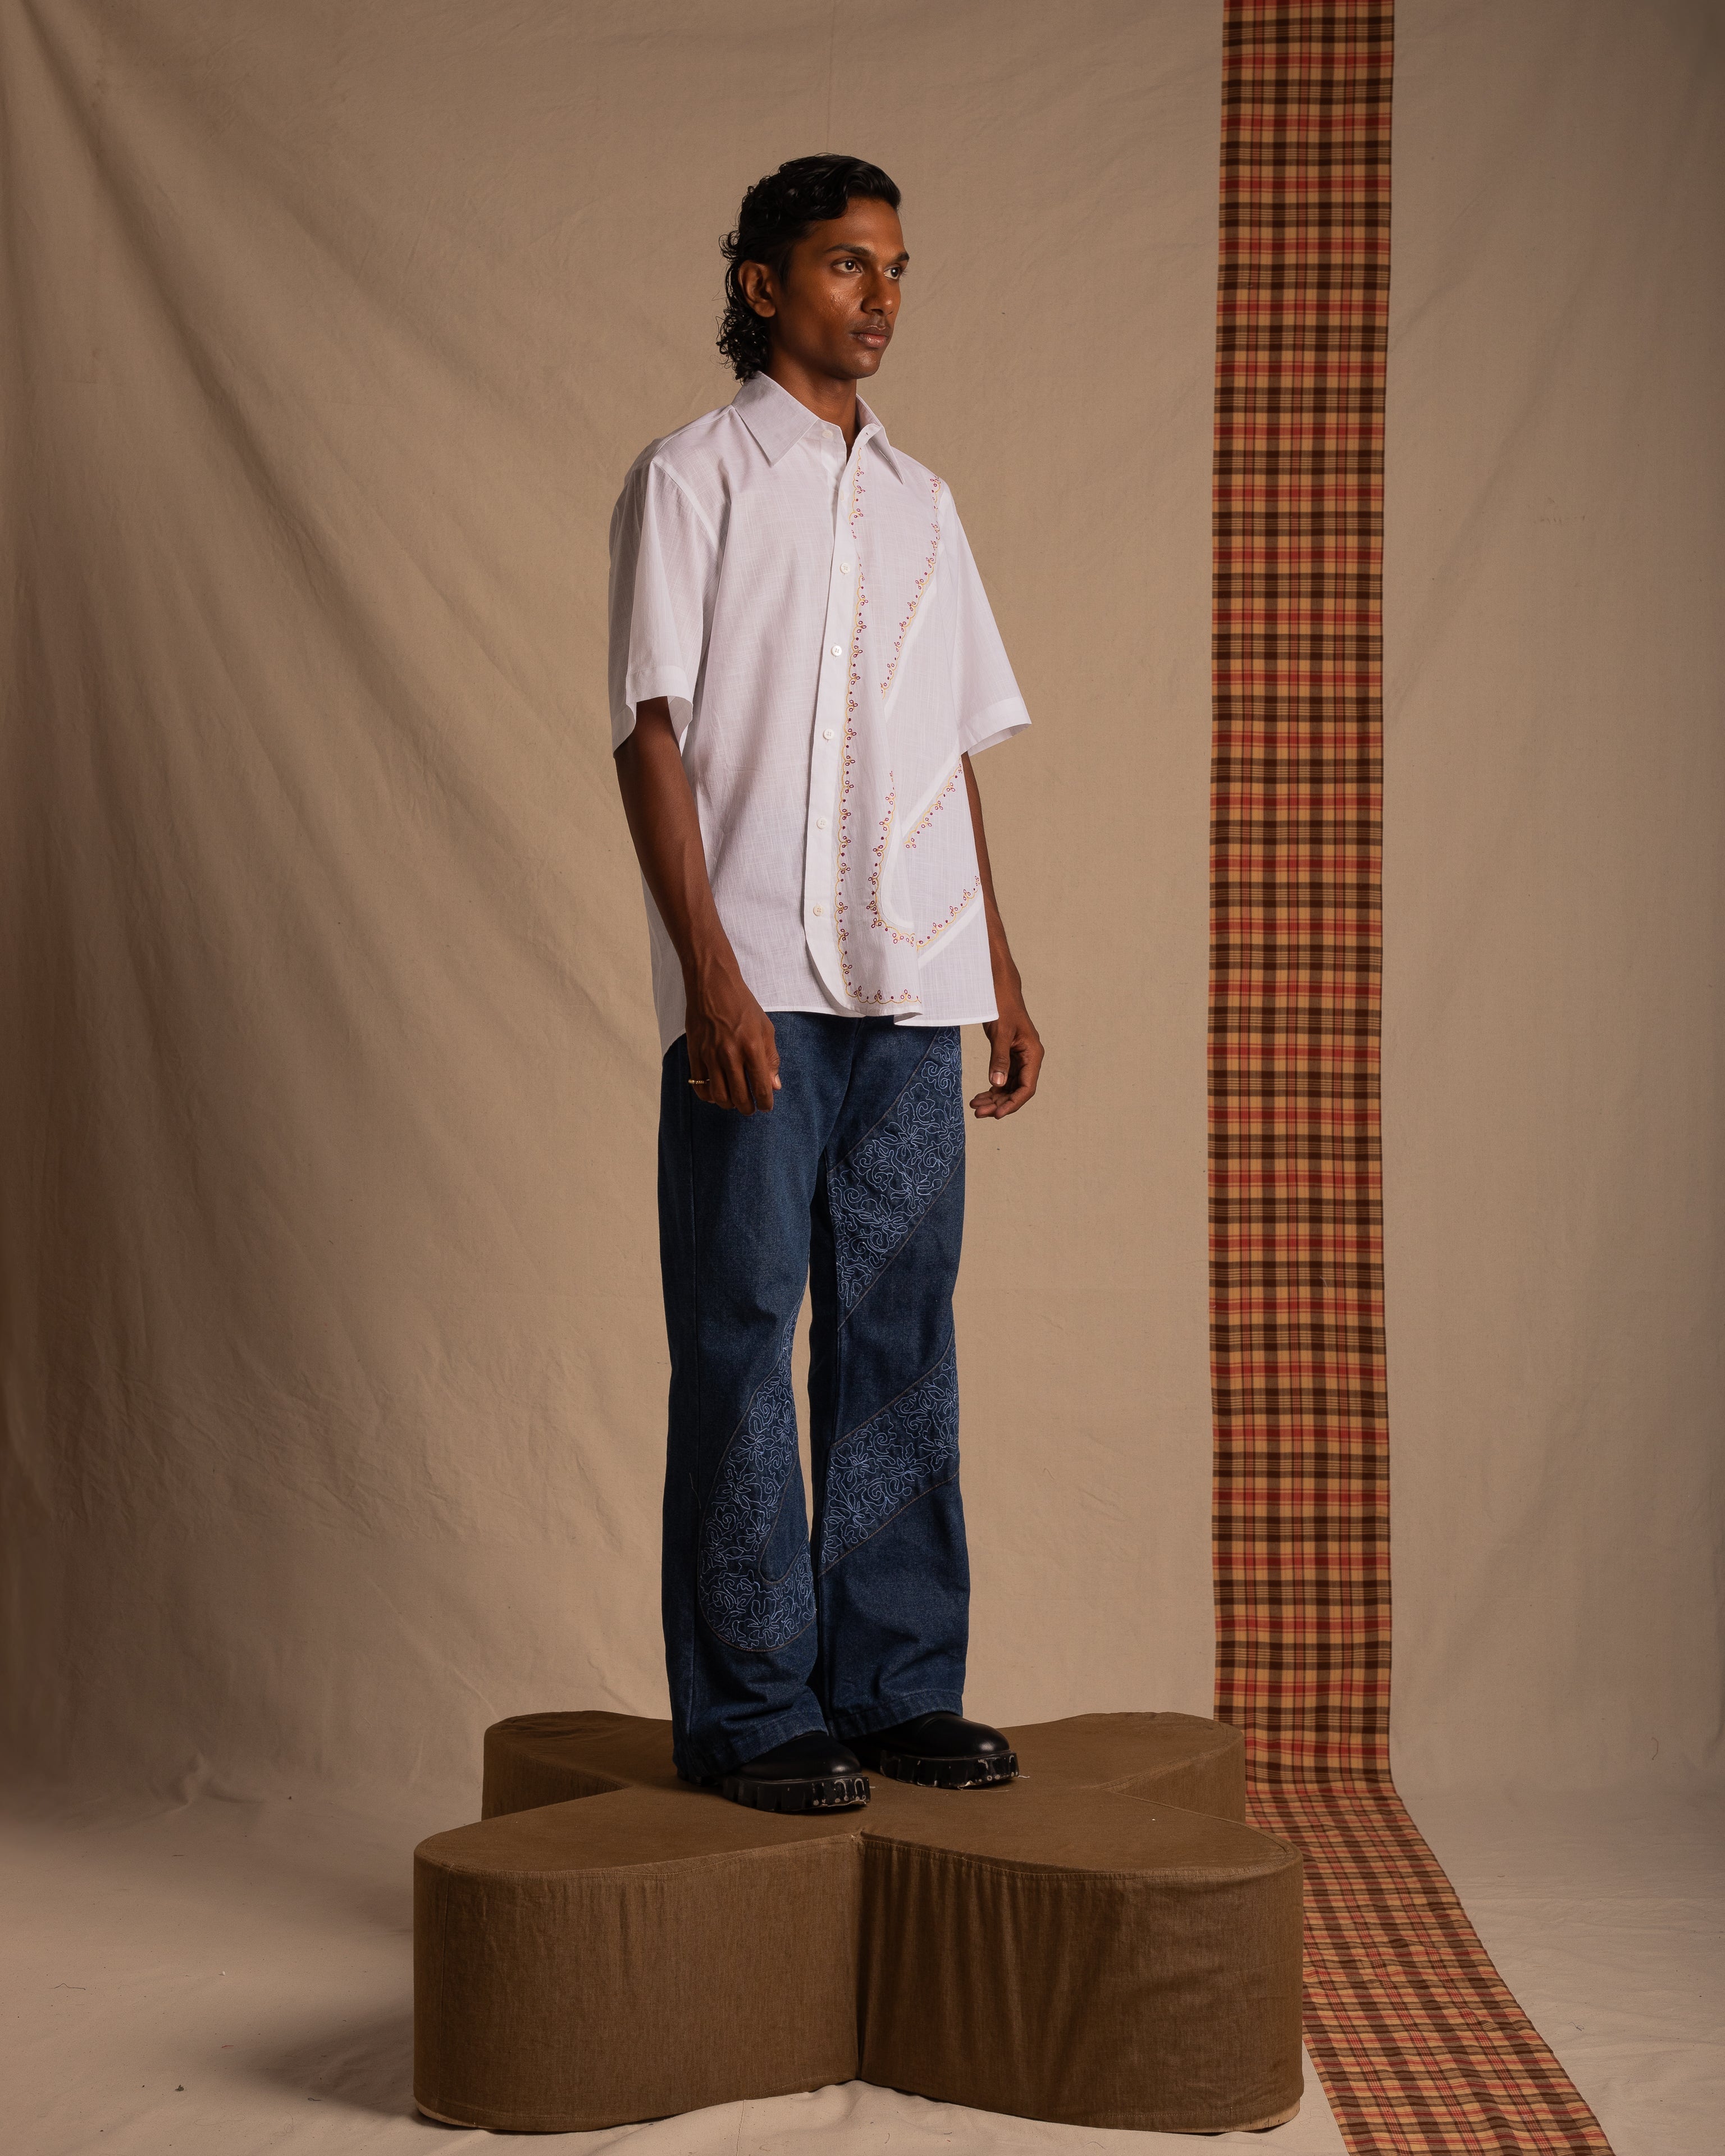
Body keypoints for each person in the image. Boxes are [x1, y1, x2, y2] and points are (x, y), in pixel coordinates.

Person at [608, 153, 1042, 1814]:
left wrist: (997, 969)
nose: (882, 296)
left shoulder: (927, 503)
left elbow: (949, 751)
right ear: (764, 283)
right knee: (738, 1334)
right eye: (851, 264)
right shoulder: (695, 479)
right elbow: (649, 734)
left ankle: (895, 1686)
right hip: (760, 987)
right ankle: (750, 1711)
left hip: (914, 989)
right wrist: (707, 975)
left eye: (898, 268)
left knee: (900, 1336)